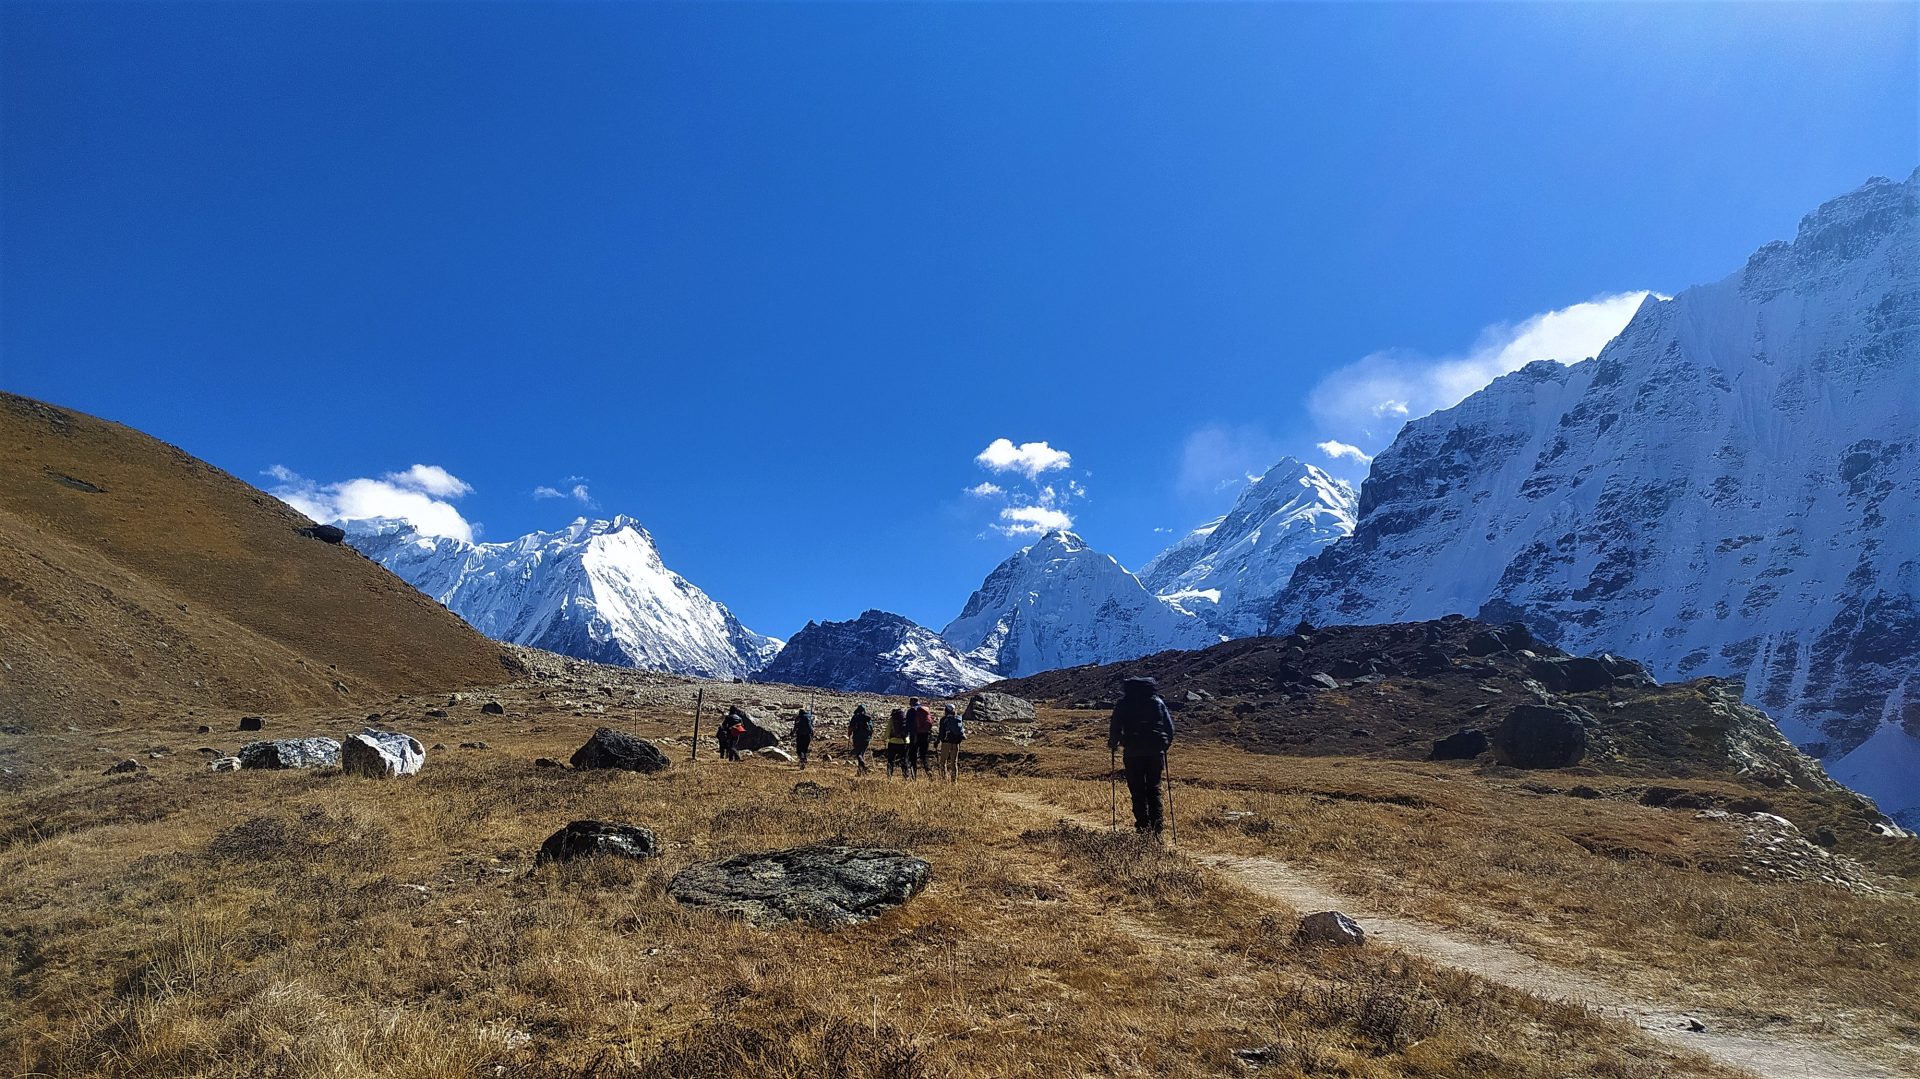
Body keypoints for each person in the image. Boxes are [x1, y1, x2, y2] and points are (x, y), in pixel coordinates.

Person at [1108, 676, 1175, 835]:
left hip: (1133, 752)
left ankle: (1142, 828)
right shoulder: (1157, 702)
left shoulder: (1124, 703)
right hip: (1154, 752)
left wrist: (1113, 743)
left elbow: (1115, 726)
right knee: (1154, 789)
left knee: (1137, 791)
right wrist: (1164, 746)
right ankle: (1157, 829)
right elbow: (1169, 727)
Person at [936, 702, 965, 782]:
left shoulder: (944, 720)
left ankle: (943, 778)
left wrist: (937, 741)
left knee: (943, 761)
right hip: (956, 743)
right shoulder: (958, 719)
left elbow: (941, 732)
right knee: (954, 762)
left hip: (946, 742)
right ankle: (954, 781)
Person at [906, 697, 933, 779]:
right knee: (923, 755)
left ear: (912, 702)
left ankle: (914, 776)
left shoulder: (911, 711)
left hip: (915, 735)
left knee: (912, 755)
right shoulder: (925, 710)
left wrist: (907, 735)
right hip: (925, 735)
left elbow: (908, 725)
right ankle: (928, 771)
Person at [885, 707, 910, 778]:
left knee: (890, 760)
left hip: (893, 742)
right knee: (904, 759)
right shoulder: (906, 719)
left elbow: (888, 730)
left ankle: (889, 776)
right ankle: (906, 776)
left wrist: (885, 739)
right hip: (904, 742)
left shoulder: (892, 719)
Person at [849, 704, 873, 775]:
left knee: (858, 754)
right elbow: (872, 729)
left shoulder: (855, 717)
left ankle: (864, 766)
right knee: (862, 754)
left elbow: (851, 727)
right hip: (866, 739)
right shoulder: (868, 718)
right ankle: (860, 772)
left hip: (857, 738)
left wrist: (849, 734)